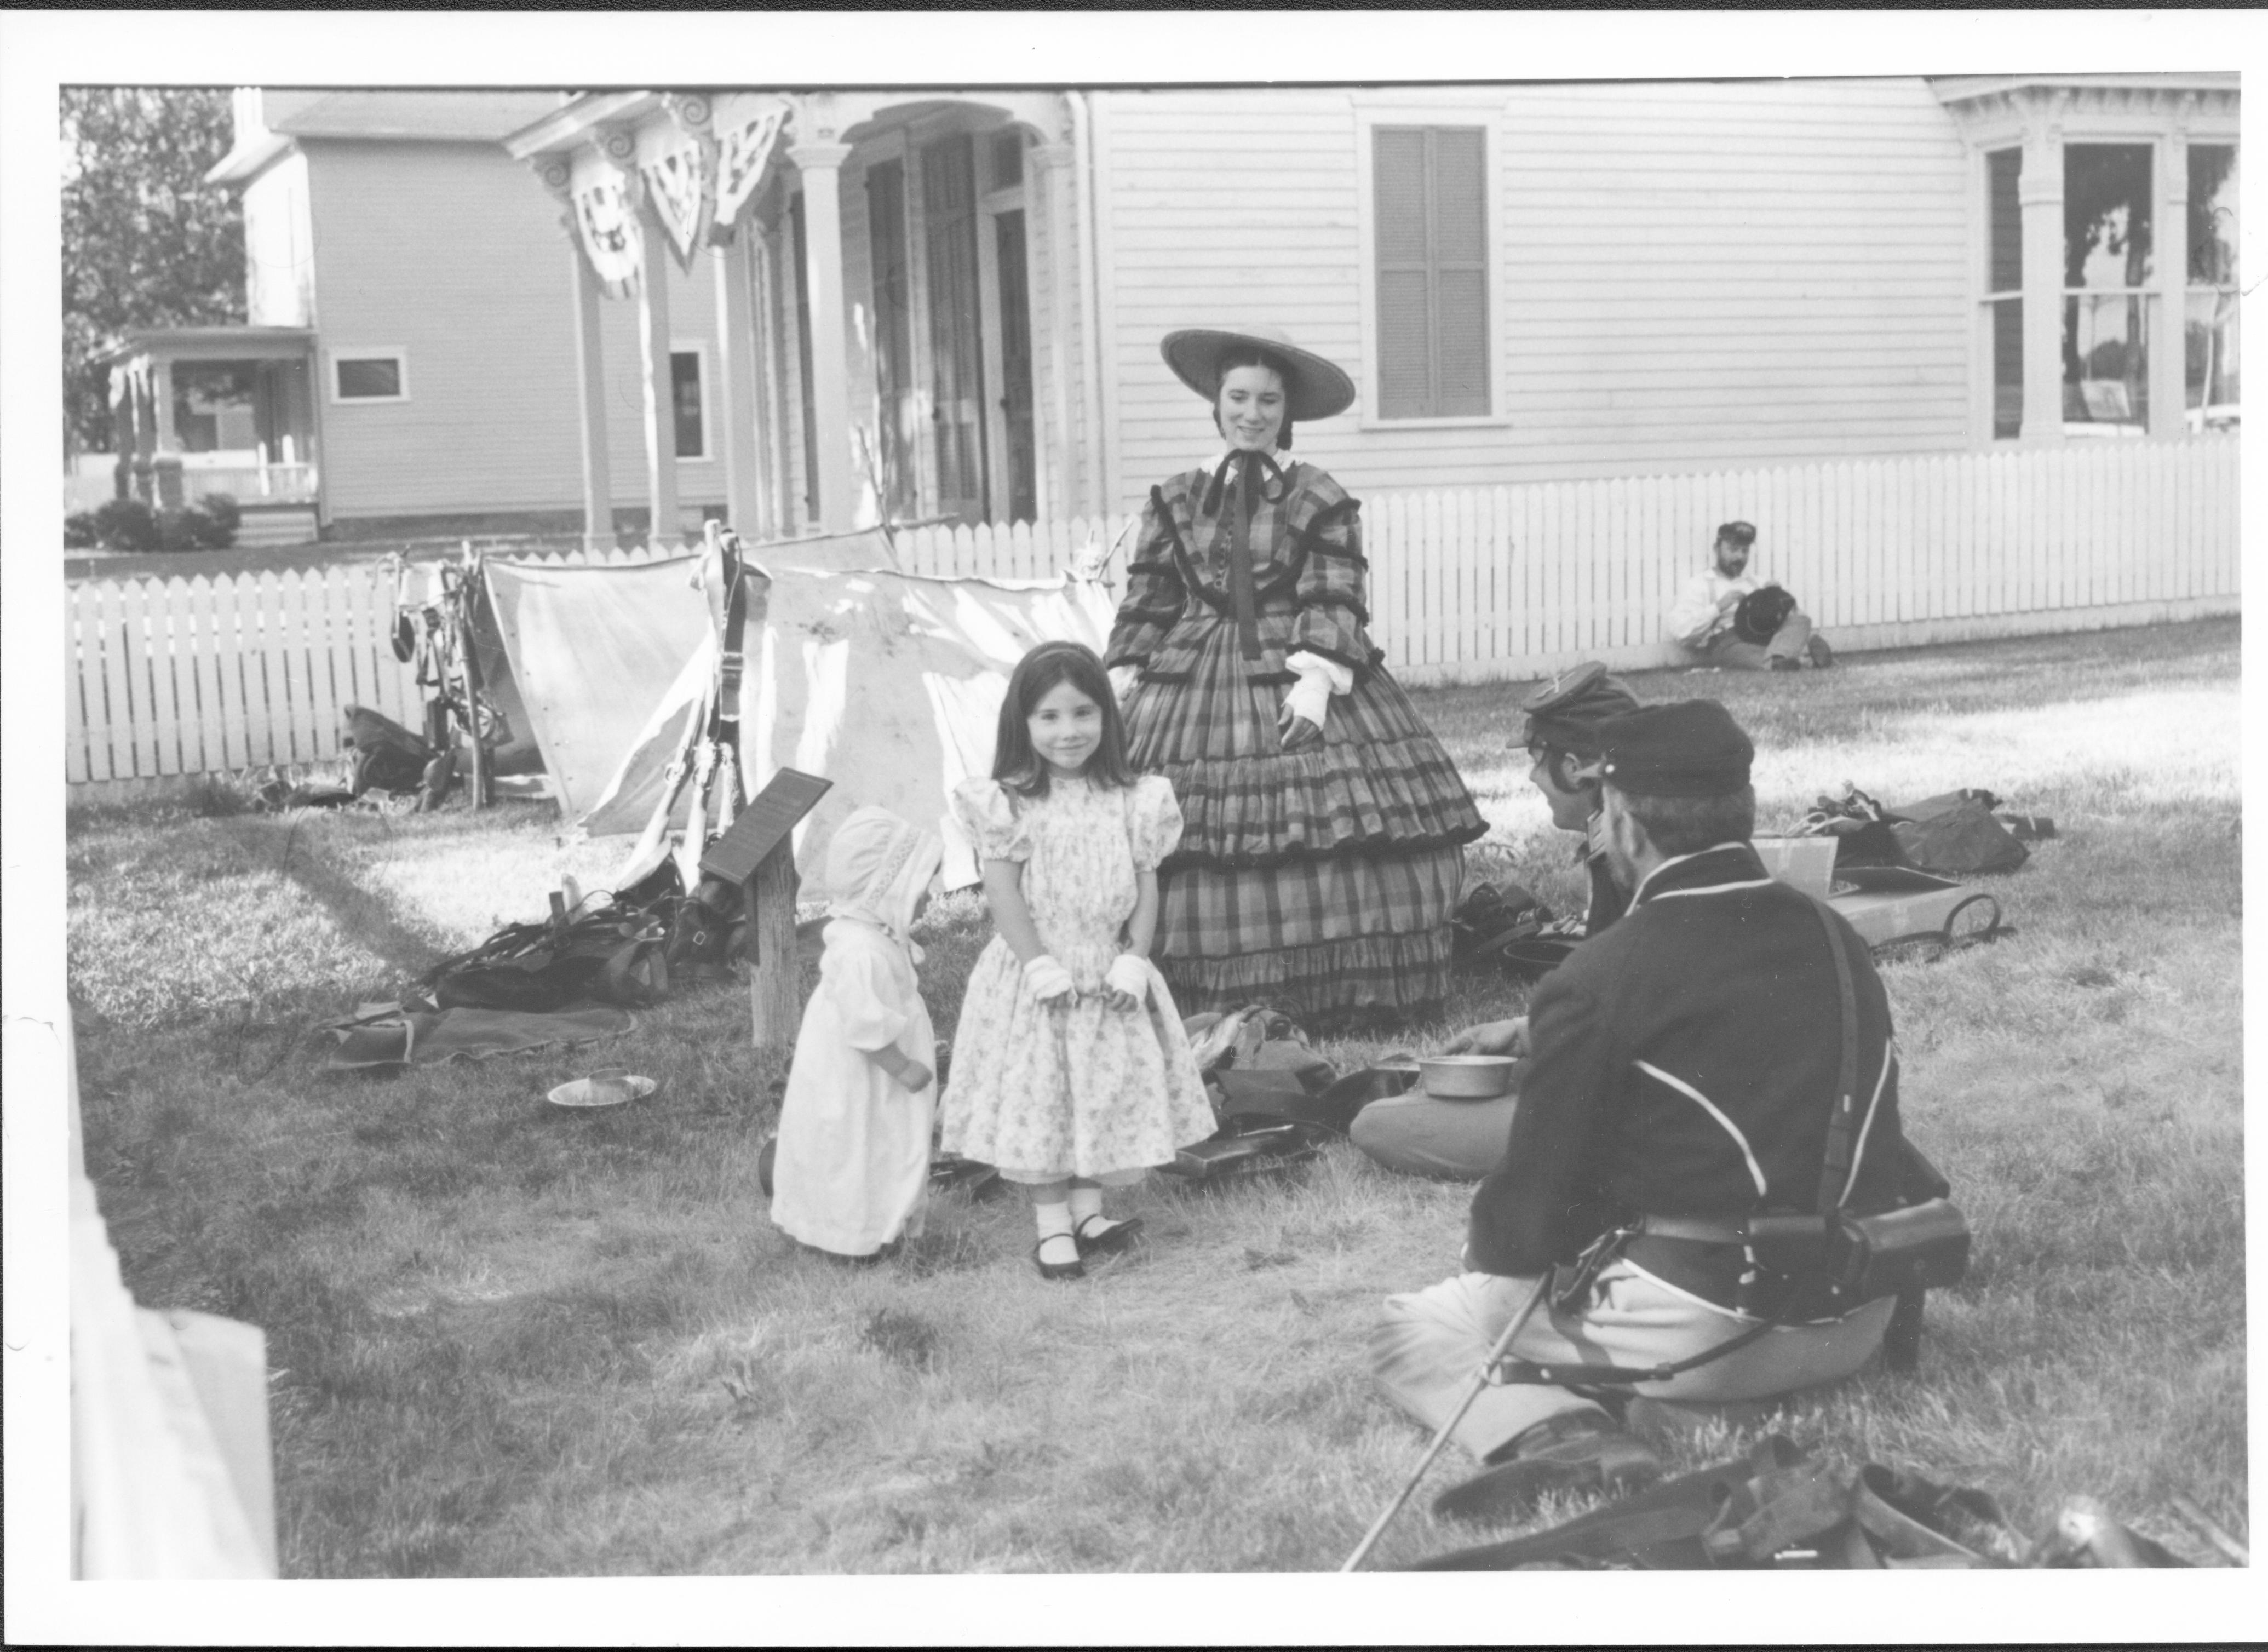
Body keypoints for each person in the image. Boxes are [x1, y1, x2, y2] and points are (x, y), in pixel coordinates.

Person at [1369, 699, 1928, 1522]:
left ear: (1623, 823)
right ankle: (1686, 1404)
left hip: (1721, 1329)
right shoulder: (1834, 935)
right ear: (1740, 810)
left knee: (1419, 1321)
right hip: (1857, 1318)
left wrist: (1494, 1244)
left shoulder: (1600, 973)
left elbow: (1528, 1231)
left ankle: (1572, 1437)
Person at [1105, 324, 1488, 1025]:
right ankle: (1175, 986)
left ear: (1288, 412)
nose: (1251, 414)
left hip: (1298, 662)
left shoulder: (1317, 494)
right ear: (1215, 403)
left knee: (1336, 831)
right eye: (1238, 398)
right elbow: (1151, 596)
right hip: (1192, 676)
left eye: (1268, 402)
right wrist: (1126, 679)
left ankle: (1336, 989)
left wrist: (1312, 686)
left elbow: (1334, 594)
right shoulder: (1177, 496)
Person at [939, 640, 1217, 1281]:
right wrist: (1037, 963)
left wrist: (1135, 958)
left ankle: (1090, 1212)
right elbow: (1003, 892)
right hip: (1039, 972)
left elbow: (1146, 882)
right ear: (1024, 723)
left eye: (1083, 713)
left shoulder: (1132, 798)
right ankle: (1051, 1226)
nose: (1069, 732)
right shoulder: (1009, 801)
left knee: (1101, 1089)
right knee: (1047, 1097)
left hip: (1105, 965)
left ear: (1106, 718)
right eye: (1050, 717)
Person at [1347, 662, 1641, 1180]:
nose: (1531, 776)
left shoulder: (1629, 861)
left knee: (1379, 1124)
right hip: (1636, 1073)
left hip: (1637, 1110)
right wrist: (1521, 1033)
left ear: (1574, 768)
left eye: (1536, 758)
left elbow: (1629, 1021)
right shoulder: (1630, 842)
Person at [769, 806, 944, 1262]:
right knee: (861, 1148)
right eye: (920, 885)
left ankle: (876, 1219)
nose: (929, 895)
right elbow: (865, 1026)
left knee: (876, 1148)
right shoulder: (862, 951)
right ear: (883, 887)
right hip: (864, 1076)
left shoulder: (869, 933)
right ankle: (852, 1231)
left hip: (860, 1070)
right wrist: (902, 1067)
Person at [1665, 520, 1833, 672]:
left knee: (1801, 619)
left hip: (1763, 636)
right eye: (1733, 550)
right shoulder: (1700, 584)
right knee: (1758, 657)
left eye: (1745, 551)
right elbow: (1682, 632)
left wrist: (1777, 600)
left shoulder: (1757, 582)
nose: (1739, 557)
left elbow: (1788, 615)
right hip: (1727, 642)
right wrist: (1718, 607)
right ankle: (1797, 658)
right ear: (1717, 549)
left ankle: (1785, 659)